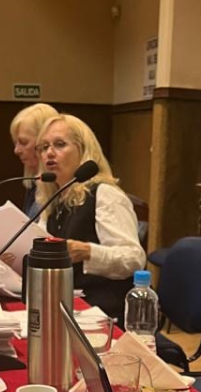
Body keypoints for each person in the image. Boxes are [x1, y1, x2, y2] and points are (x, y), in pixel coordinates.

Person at [34, 114, 145, 321]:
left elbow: (133, 259)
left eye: (60, 144)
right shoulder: (54, 199)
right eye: (44, 147)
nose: (49, 152)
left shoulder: (105, 194)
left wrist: (87, 251)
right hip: (66, 305)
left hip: (105, 312)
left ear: (84, 150)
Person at [9, 102, 58, 216]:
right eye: (15, 143)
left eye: (23, 142)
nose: (16, 150)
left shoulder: (62, 187)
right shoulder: (34, 182)